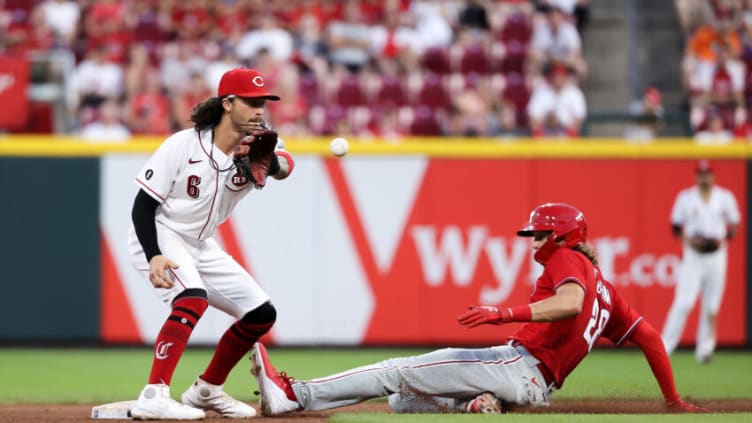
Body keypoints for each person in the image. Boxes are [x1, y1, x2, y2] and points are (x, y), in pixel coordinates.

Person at [251, 203, 707, 416]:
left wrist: (506, 314)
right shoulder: (609, 293)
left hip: (518, 364)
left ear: (563, 237)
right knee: (402, 402)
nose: (535, 241)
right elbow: (649, 338)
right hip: (536, 386)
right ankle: (479, 405)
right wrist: (672, 398)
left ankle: (295, 394)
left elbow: (569, 303)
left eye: (540, 234)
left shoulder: (569, 261)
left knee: (396, 370)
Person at [128, 67, 295, 420]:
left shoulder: (262, 141)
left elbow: (285, 167)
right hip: (163, 232)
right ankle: (153, 393)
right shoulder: (183, 144)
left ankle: (207, 388)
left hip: (201, 244)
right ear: (228, 103)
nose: (259, 110)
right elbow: (143, 206)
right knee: (192, 299)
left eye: (263, 102)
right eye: (251, 102)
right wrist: (154, 255)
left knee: (260, 315)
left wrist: (271, 161)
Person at [661, 160, 741, 364]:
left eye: (708, 174)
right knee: (684, 302)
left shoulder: (725, 197)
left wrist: (722, 239)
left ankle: (705, 350)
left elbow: (734, 223)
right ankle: (664, 347)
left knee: (712, 305)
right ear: (697, 176)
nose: (704, 178)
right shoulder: (686, 198)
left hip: (717, 255)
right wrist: (691, 240)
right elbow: (676, 226)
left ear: (713, 176)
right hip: (693, 256)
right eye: (701, 174)